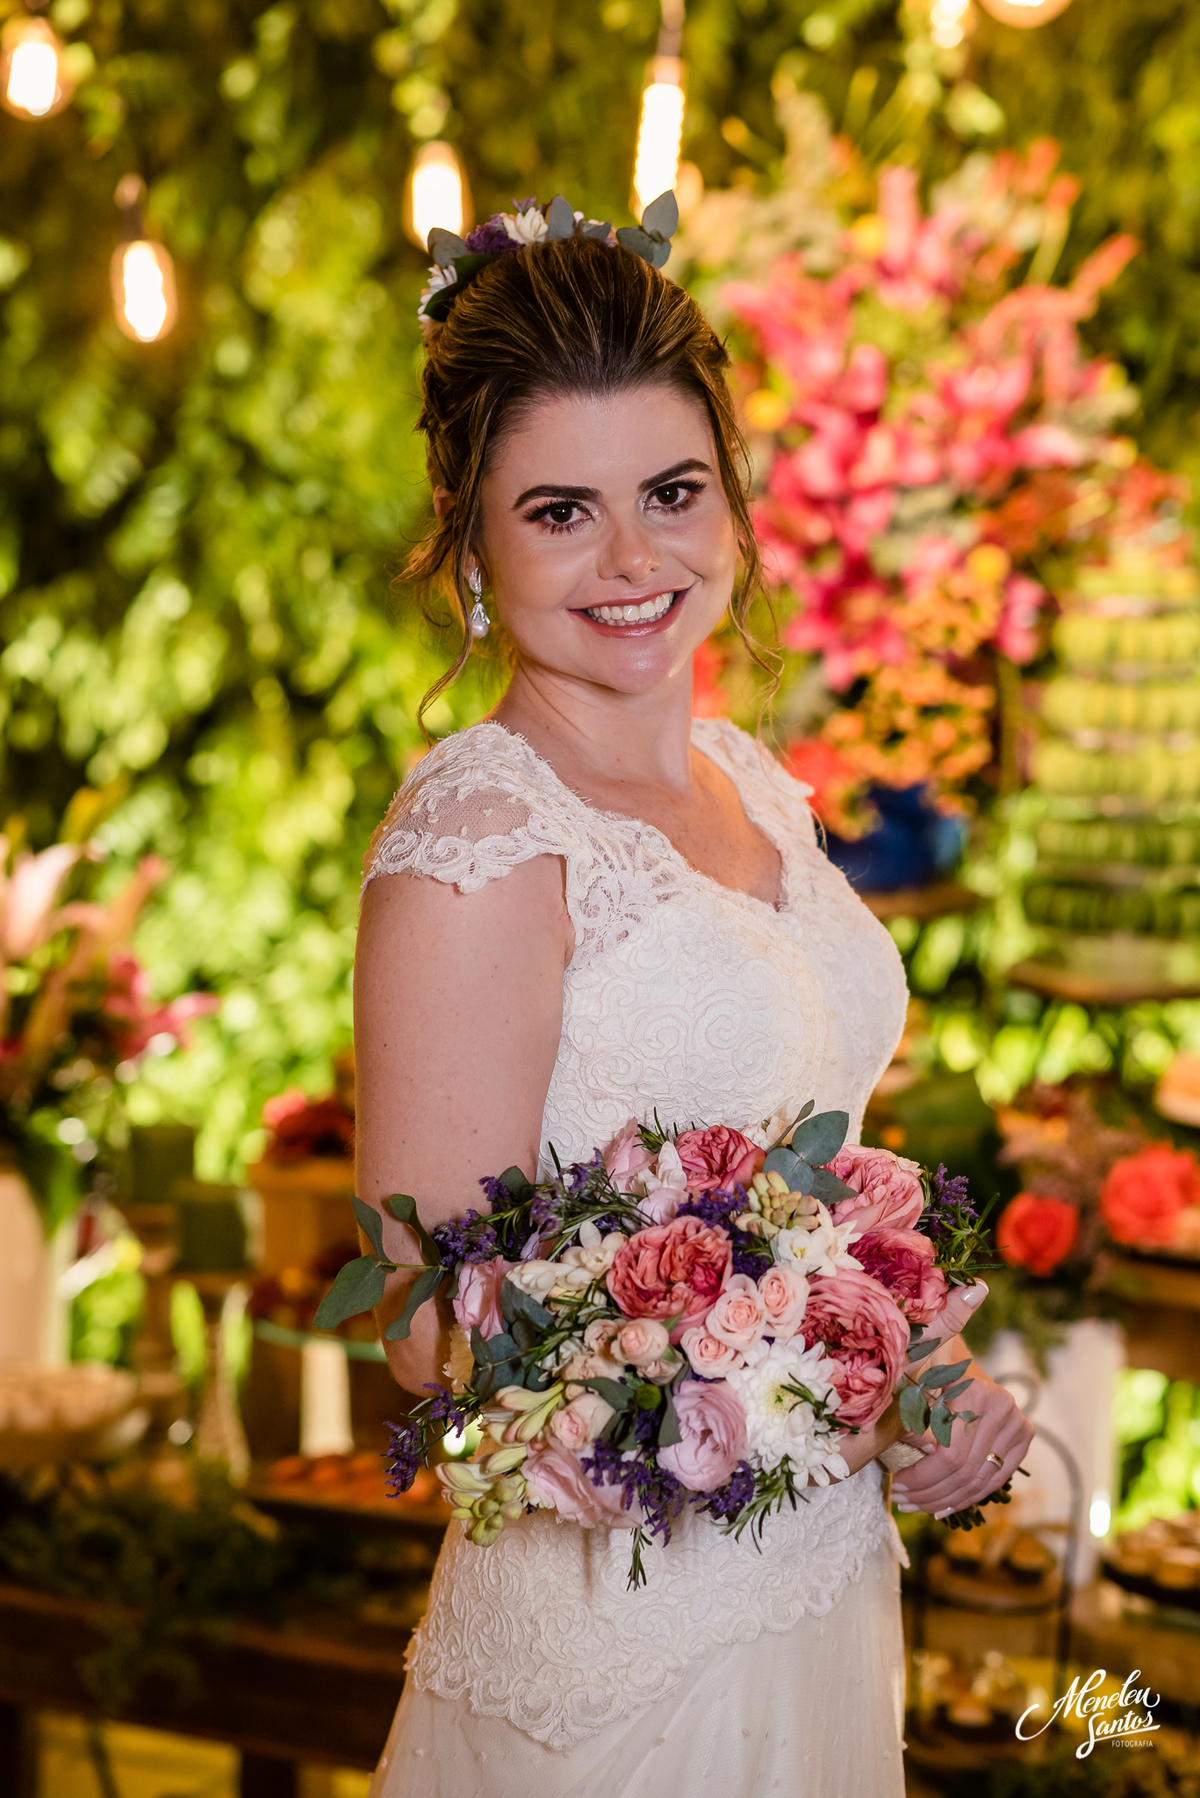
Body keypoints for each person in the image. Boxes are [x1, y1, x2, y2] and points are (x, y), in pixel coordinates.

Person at [356, 204, 1033, 1798]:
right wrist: (802, 1396)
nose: (634, 560)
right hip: (612, 1667)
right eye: (561, 511)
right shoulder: (481, 842)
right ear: (470, 540)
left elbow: (808, 1182)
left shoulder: (749, 781)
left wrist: (912, 1364)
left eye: (671, 491)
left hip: (816, 1595)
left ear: (731, 492)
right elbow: (424, 1324)